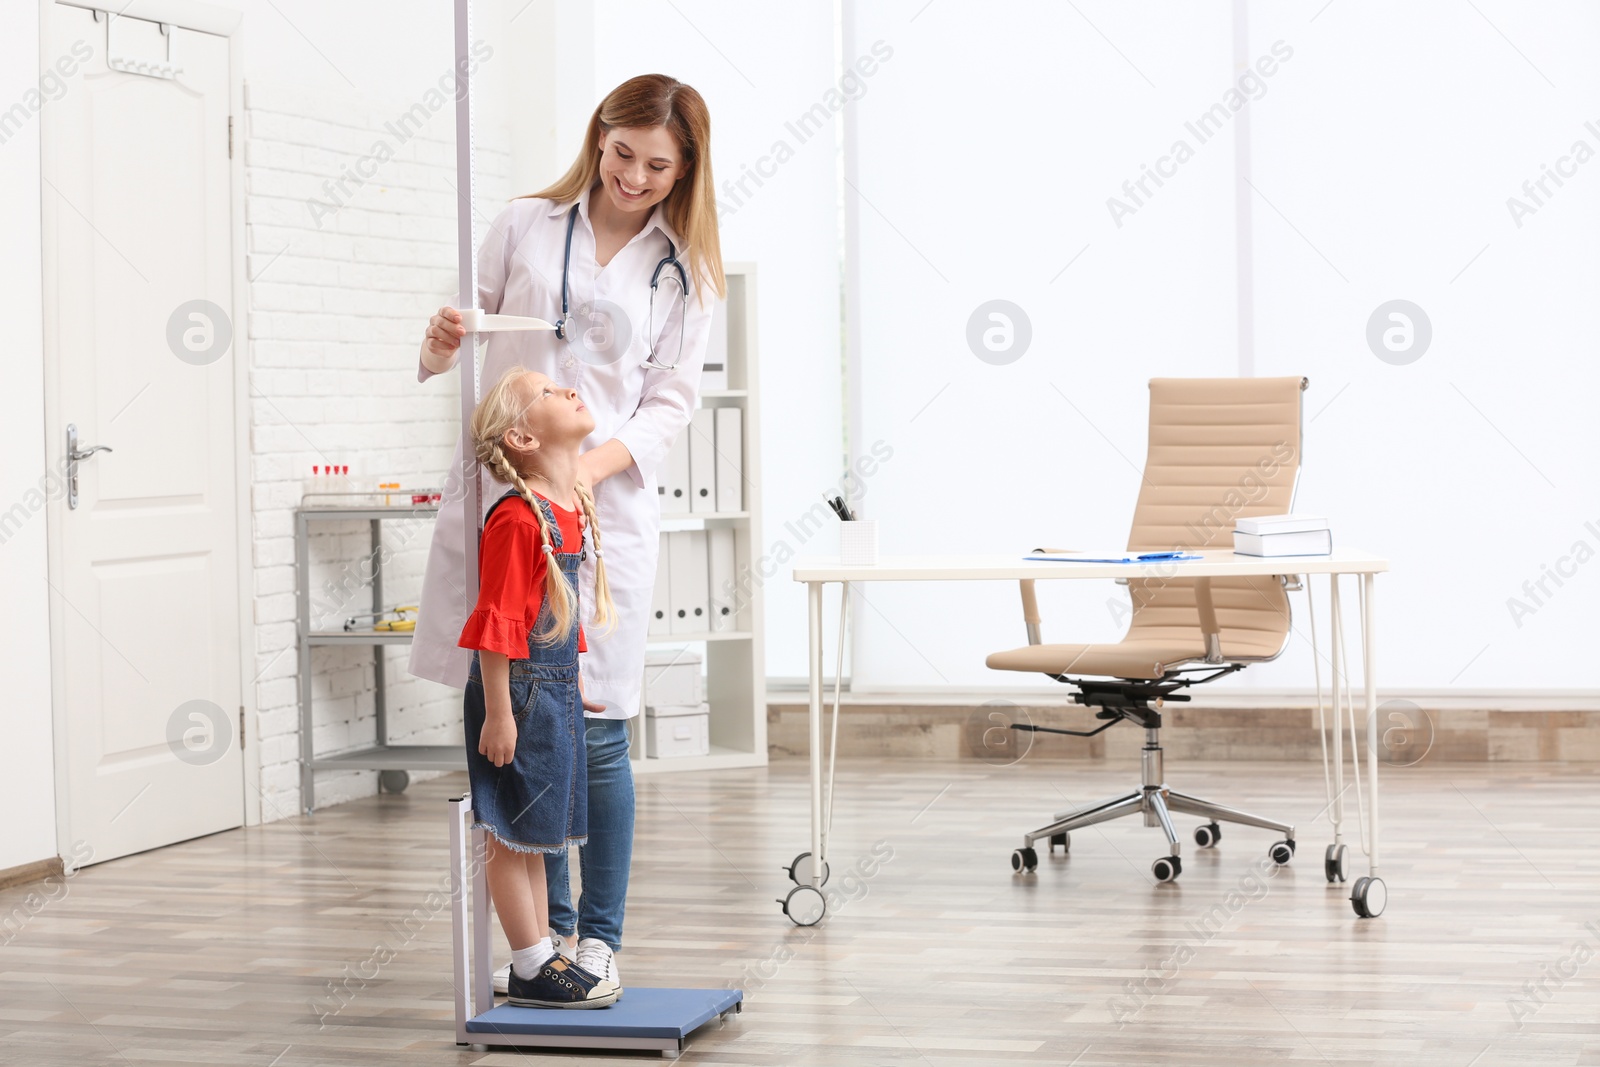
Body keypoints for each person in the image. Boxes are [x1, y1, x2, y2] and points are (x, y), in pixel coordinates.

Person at [410, 73, 723, 991]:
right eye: (621, 152)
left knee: (598, 726)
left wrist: (590, 467)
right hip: (509, 499)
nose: (631, 175)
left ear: (684, 170)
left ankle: (598, 940)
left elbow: (671, 400)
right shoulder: (523, 223)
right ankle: (539, 946)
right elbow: (459, 339)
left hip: (605, 508)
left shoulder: (685, 269)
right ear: (600, 137)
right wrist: (437, 342)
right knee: (514, 714)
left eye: (656, 165)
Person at [458, 365, 619, 1009]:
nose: (569, 389)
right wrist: (500, 712)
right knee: (509, 833)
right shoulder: (518, 521)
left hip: (546, 695)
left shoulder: (566, 511)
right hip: (514, 696)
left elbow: (552, 613)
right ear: (524, 436)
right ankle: (530, 962)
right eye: (549, 393)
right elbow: (497, 626)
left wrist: (566, 685)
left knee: (535, 834)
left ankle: (541, 953)